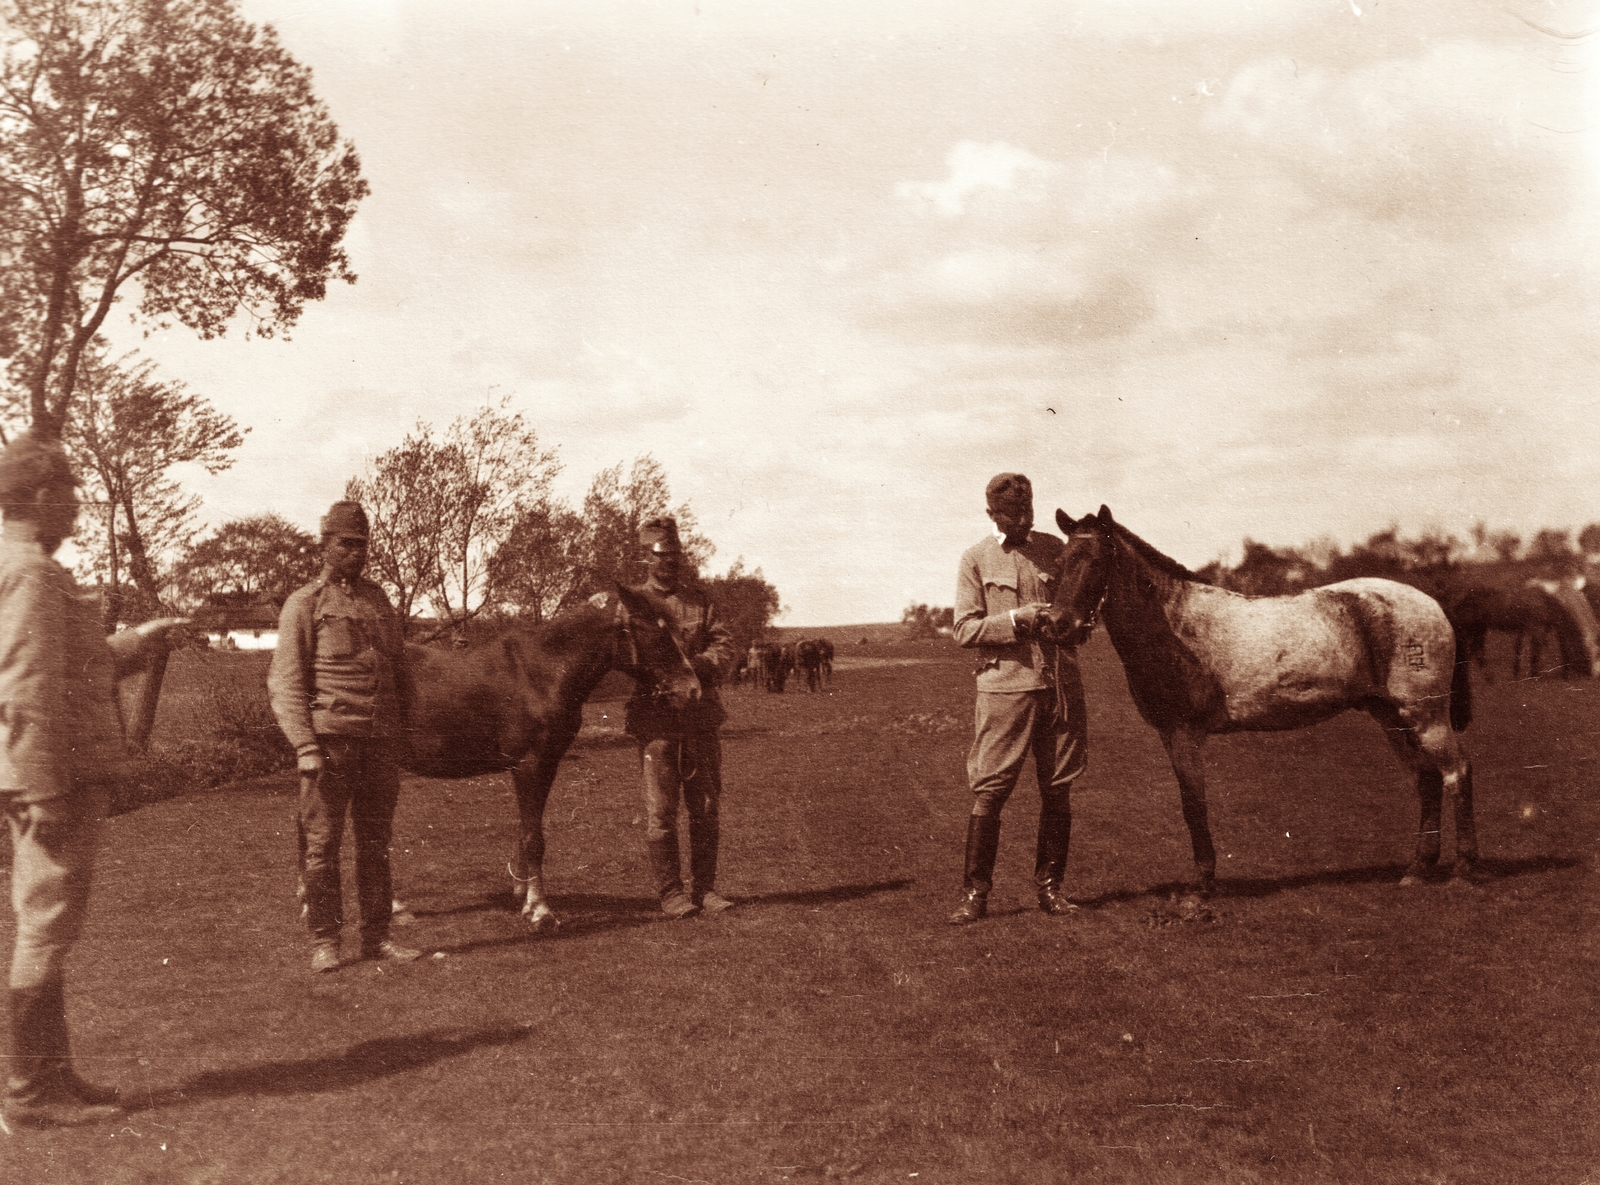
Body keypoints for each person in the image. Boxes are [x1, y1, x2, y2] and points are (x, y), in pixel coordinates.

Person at [0, 430, 188, 1130]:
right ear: (44, 495)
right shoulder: (30, 573)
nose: (77, 509)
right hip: (56, 783)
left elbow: (68, 673)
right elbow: (24, 690)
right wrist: (41, 788)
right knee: (45, 925)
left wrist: (138, 643)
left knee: (49, 924)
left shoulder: (24, 568)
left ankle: (53, 1076)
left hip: (53, 777)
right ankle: (29, 1093)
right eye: (72, 495)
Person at [268, 501, 419, 973]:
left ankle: (377, 938)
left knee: (376, 843)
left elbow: (399, 673)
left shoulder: (378, 601)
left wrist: (405, 733)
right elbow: (286, 682)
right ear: (325, 545)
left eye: (362, 545)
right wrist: (305, 745)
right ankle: (324, 941)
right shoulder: (305, 604)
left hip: (379, 743)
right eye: (346, 544)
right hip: (330, 744)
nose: (355, 553)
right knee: (322, 846)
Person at [948, 473, 1087, 925]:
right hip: (1004, 690)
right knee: (990, 791)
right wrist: (1018, 619)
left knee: (1059, 788)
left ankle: (1051, 890)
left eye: (1027, 511)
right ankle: (975, 896)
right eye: (1011, 514)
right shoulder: (975, 558)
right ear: (992, 514)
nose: (1022, 520)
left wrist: (1078, 625)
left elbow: (1079, 608)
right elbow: (965, 630)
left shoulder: (1054, 549)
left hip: (1061, 689)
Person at [626, 517, 738, 919]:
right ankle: (672, 893)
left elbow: (725, 649)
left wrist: (691, 668)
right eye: (661, 557)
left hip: (701, 719)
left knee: (705, 807)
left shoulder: (701, 602)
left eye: (675, 555)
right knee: (661, 812)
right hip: (656, 723)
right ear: (647, 559)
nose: (669, 563)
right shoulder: (633, 605)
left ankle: (706, 890)